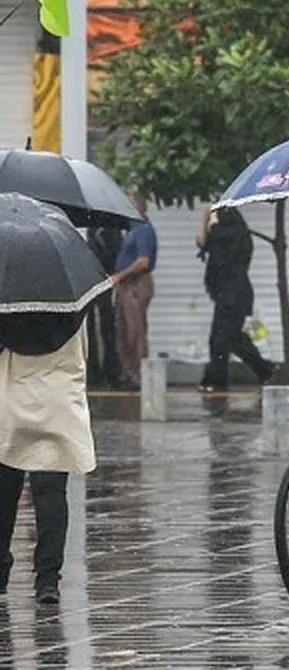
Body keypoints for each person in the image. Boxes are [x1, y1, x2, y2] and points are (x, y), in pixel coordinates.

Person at [0, 315, 96, 606]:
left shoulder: (9, 302)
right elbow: (82, 355)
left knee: (4, 492)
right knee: (51, 493)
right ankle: (48, 580)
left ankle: (1, 568)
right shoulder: (72, 304)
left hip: (12, 401)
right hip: (57, 404)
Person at [196, 205, 275, 393]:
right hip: (226, 294)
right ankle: (265, 370)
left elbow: (219, 236)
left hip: (235, 294)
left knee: (221, 338)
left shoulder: (235, 234)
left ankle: (216, 380)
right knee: (231, 338)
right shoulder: (220, 235)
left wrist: (213, 220)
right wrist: (204, 217)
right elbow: (202, 242)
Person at [111, 192, 157, 391]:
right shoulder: (131, 229)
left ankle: (139, 375)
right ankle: (128, 372)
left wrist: (120, 276)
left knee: (135, 332)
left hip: (135, 284)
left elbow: (143, 261)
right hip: (126, 285)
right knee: (123, 331)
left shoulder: (143, 229)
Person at [85, 226, 122, 388]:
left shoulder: (112, 233)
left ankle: (111, 371)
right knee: (90, 330)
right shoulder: (91, 233)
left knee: (108, 329)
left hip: (107, 282)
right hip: (90, 284)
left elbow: (115, 258)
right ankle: (93, 372)